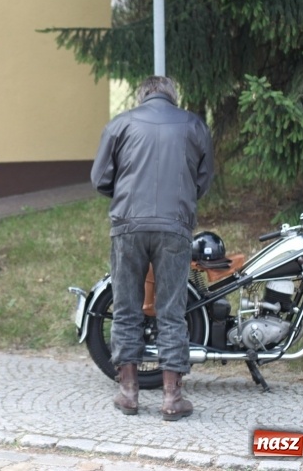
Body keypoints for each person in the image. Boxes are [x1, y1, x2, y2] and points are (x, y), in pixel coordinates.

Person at [91, 75, 214, 420]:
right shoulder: (194, 125)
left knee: (127, 308)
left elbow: (100, 179)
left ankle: (128, 393)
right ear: (172, 96)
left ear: (142, 95)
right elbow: (203, 180)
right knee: (171, 310)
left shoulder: (120, 125)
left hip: (128, 226)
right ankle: (172, 398)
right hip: (175, 227)